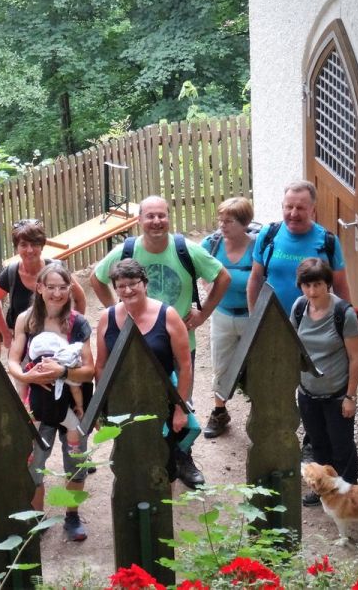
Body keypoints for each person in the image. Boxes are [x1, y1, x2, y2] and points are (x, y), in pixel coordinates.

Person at [89, 195, 230, 487]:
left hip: (176, 343)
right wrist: (116, 310)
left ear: (169, 217)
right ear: (139, 220)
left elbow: (222, 277)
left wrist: (203, 314)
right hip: (132, 348)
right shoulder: (126, 251)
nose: (156, 221)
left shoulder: (185, 249)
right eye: (150, 216)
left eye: (161, 215)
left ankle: (182, 458)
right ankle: (139, 458)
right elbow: (97, 278)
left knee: (180, 403)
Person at [7, 263, 95, 542]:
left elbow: (89, 370)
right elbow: (13, 360)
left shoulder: (78, 323)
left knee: (76, 462)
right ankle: (37, 517)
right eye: (51, 287)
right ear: (40, 288)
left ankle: (72, 515)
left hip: (73, 402)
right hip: (37, 403)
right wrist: (27, 376)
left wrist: (63, 372)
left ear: (70, 289)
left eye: (62, 287)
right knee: (34, 464)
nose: (57, 293)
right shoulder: (26, 319)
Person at [95, 259, 195, 484]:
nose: (128, 290)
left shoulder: (167, 315)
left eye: (133, 283)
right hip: (122, 401)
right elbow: (101, 365)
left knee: (164, 460)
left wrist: (181, 409)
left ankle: (163, 500)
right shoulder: (107, 318)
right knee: (127, 457)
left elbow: (185, 364)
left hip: (161, 399)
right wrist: (102, 406)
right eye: (121, 286)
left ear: (145, 283)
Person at [291, 258, 358, 507]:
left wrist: (350, 397)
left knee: (341, 447)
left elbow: (355, 358)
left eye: (317, 285)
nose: (312, 291)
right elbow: (292, 345)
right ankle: (322, 489)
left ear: (327, 284)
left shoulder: (343, 314)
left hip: (336, 394)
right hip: (308, 392)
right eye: (307, 285)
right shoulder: (299, 308)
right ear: (301, 286)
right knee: (317, 442)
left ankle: (348, 494)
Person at [246, 180, 351, 313]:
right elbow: (255, 279)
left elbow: (340, 287)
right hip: (273, 319)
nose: (293, 214)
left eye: (300, 208)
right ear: (282, 207)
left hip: (314, 322)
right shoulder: (268, 234)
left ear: (313, 210)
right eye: (289, 207)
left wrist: (349, 318)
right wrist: (254, 317)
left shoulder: (328, 241)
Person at [200, 197, 256, 438]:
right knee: (221, 364)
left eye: (229, 221)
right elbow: (198, 268)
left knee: (255, 366)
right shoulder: (211, 245)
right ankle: (220, 412)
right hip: (221, 315)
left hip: (251, 317)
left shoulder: (257, 246)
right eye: (220, 220)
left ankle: (259, 414)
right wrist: (208, 287)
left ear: (244, 223)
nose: (222, 225)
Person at [0, 219, 87, 349]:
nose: (29, 250)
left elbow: (80, 298)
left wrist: (73, 329)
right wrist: (5, 333)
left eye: (34, 244)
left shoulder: (56, 269)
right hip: (23, 343)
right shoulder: (11, 273)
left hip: (57, 340)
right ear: (16, 248)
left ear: (42, 245)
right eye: (23, 245)